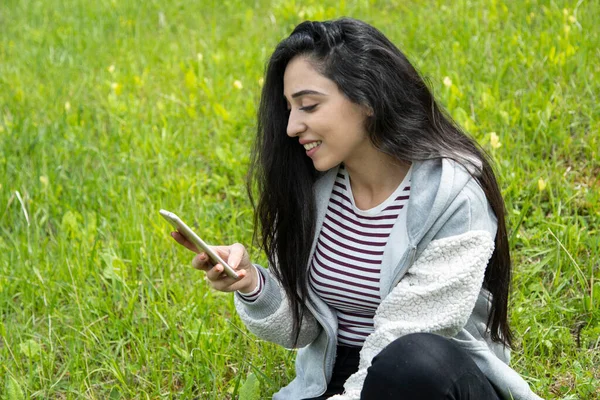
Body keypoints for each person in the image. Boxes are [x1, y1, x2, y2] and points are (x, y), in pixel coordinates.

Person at [172, 18, 542, 400]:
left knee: (412, 359)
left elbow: (409, 335)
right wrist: (251, 283)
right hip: (341, 382)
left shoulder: (453, 196)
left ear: (367, 98)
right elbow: (306, 328)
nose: (291, 126)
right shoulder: (315, 190)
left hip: (431, 380)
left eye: (309, 105)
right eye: (289, 109)